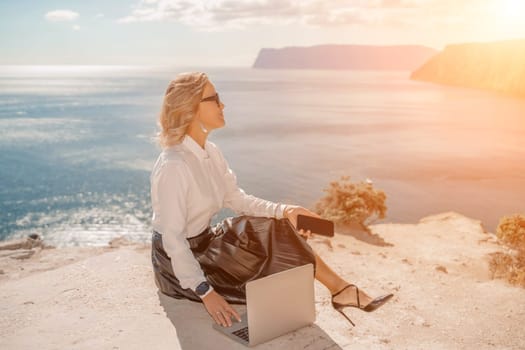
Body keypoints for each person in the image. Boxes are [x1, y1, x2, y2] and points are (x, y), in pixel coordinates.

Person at [150, 72, 393, 328]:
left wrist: (285, 210)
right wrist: (205, 292)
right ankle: (339, 292)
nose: (223, 105)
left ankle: (340, 289)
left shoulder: (210, 152)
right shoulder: (174, 166)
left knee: (280, 226)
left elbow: (235, 198)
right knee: (266, 276)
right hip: (175, 264)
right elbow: (173, 238)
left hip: (206, 244)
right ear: (191, 107)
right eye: (215, 98)